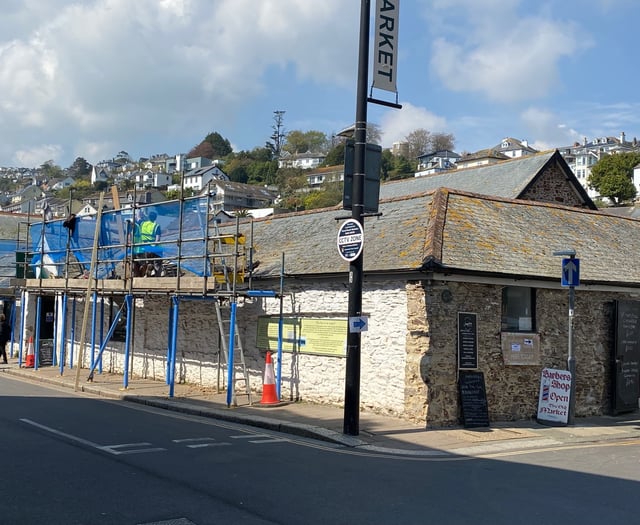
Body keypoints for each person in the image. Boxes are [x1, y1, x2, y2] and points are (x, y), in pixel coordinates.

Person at [139, 210, 163, 276]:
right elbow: (157, 239)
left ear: (148, 217)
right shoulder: (156, 226)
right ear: (155, 218)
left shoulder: (142, 224)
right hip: (154, 248)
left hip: (145, 247)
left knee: (147, 262)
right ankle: (157, 277)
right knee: (157, 265)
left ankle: (148, 272)